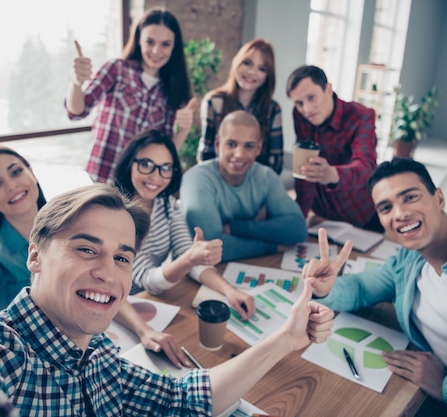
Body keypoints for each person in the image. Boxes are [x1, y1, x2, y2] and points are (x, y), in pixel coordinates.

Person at [0, 184, 335, 417]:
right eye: (86, 248)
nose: (107, 272)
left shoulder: (100, 358)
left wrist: (285, 340)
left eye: (121, 258)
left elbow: (188, 396)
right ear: (35, 255)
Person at [0, 145, 188, 367]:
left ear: (32, 173)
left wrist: (143, 330)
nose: (11, 185)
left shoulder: (71, 220)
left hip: (89, 347)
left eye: (16, 172)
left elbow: (101, 281)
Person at [304, 158, 447, 417]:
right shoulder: (408, 261)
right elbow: (361, 288)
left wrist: (446, 386)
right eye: (385, 207)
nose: (400, 214)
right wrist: (325, 288)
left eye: (410, 197)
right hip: (428, 399)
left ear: (439, 198)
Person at [114, 129, 256, 320]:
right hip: (118, 306)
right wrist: (189, 258)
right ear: (130, 163)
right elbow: (148, 280)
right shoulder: (117, 212)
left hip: (146, 302)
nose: (156, 177)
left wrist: (230, 291)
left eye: (165, 167)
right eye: (147, 164)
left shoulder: (165, 203)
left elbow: (187, 255)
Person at [65, 7, 196, 184]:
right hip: (101, 180)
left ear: (174, 47)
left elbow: (164, 154)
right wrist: (76, 82)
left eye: (165, 44)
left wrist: (184, 130)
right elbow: (77, 111)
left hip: (138, 190)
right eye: (150, 42)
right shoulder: (117, 70)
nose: (157, 51)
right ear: (139, 40)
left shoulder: (171, 91)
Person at [180, 110, 307, 261]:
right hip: (197, 271)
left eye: (249, 146)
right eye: (231, 144)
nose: (239, 154)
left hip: (246, 263)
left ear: (258, 148)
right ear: (217, 144)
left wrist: (236, 228)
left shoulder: (266, 176)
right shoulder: (196, 179)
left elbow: (297, 229)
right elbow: (209, 248)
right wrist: (272, 247)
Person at [286, 65, 382, 232]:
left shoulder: (361, 115)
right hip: (321, 217)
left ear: (328, 89)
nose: (306, 109)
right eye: (299, 103)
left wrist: (333, 174)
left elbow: (367, 167)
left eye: (311, 98)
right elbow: (305, 171)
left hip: (360, 214)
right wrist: (299, 217)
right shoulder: (299, 115)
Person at [196, 38, 284, 175]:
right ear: (237, 62)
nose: (251, 72)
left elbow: (275, 161)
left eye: (262, 69)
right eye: (247, 63)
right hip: (218, 182)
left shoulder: (273, 109)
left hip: (257, 185)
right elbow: (206, 154)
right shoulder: (214, 102)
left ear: (268, 76)